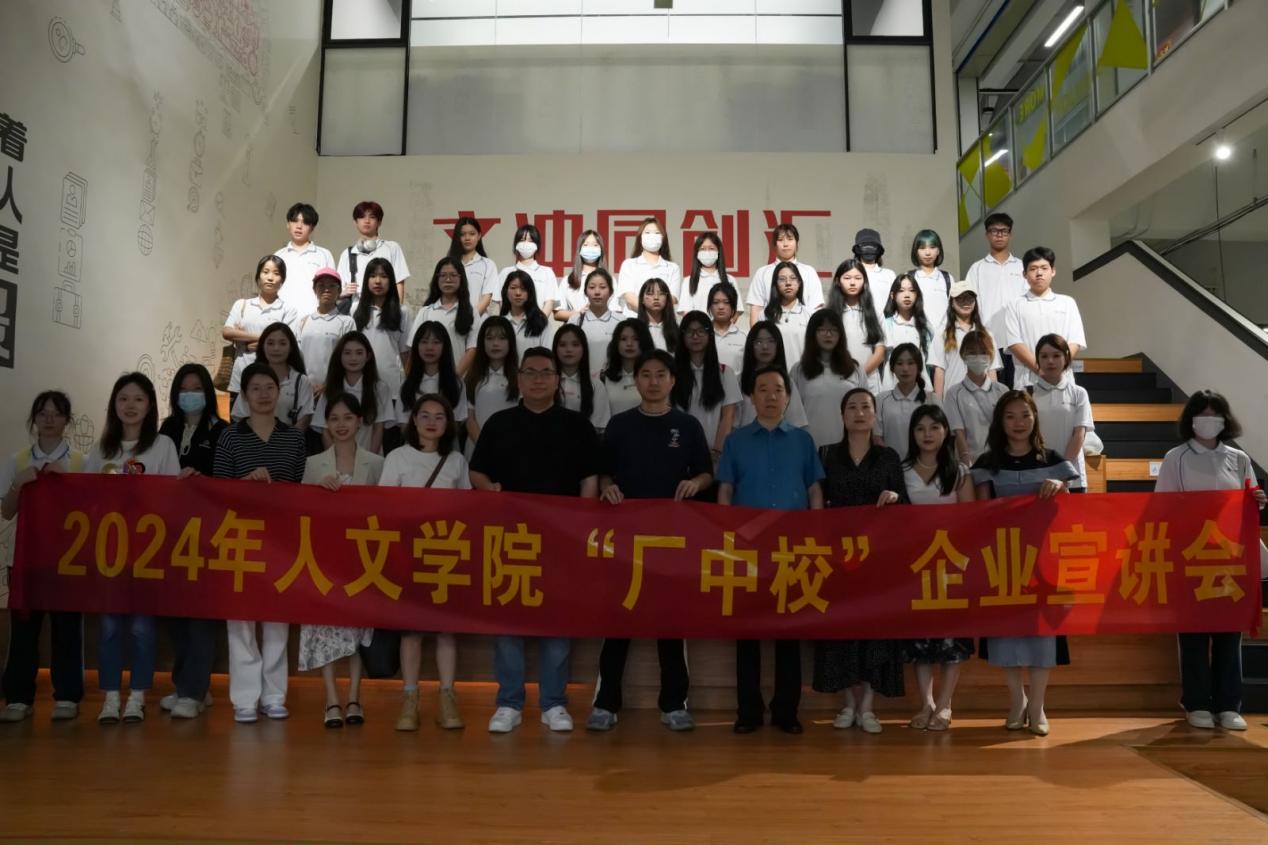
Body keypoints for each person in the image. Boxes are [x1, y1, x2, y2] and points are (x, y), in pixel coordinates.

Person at [470, 347, 602, 734]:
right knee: (508, 622)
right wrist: (489, 490)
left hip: (562, 539)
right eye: (530, 372)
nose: (539, 379)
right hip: (510, 538)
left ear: (558, 381)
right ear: (519, 379)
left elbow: (589, 480)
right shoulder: (500, 423)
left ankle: (554, 703)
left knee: (557, 622)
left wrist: (581, 525)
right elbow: (477, 472)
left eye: (546, 373)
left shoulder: (577, 426)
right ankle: (509, 702)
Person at [589, 349, 713, 732]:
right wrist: (607, 488)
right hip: (626, 539)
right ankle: (605, 703)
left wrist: (695, 483)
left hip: (672, 542)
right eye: (646, 374)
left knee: (670, 623)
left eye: (661, 374)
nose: (653, 381)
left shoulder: (687, 425)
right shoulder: (620, 424)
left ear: (673, 380)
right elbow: (605, 473)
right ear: (636, 380)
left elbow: (706, 473)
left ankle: (674, 704)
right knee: (618, 620)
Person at [717, 366, 824, 734]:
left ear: (788, 397)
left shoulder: (802, 441)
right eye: (762, 389)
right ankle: (748, 711)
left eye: (778, 389)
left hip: (792, 549)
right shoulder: (735, 441)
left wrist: (816, 533)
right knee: (747, 634)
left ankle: (785, 711)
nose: (771, 395)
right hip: (747, 549)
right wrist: (727, 538)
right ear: (752, 396)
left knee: (788, 633)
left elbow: (814, 490)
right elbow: (726, 490)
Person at [1154, 391, 1266, 732]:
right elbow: (1163, 507)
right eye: (1201, 413)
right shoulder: (1176, 458)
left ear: (1224, 419)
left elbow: (1249, 498)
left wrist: (1257, 500)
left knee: (1229, 634)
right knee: (1193, 635)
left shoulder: (1238, 458)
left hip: (1229, 559)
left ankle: (1229, 704)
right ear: (1190, 419)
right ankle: (1197, 702)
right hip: (1191, 557)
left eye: (1214, 413)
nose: (1208, 419)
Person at [971, 390, 1079, 737]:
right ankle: (1017, 701)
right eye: (1010, 416)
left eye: (1025, 415)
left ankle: (1038, 706)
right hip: (1004, 561)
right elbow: (982, 513)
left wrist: (1060, 486)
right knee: (1007, 634)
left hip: (1044, 558)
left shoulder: (1053, 459)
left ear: (1035, 419)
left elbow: (1072, 512)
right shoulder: (987, 463)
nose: (1019, 423)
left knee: (1042, 635)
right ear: (1000, 422)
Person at [213, 362, 308, 723]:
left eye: (270, 387)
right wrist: (245, 484)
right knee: (240, 620)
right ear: (244, 395)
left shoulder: (294, 438)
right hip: (238, 537)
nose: (264, 394)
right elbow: (217, 491)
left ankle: (273, 695)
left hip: (281, 540)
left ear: (279, 392)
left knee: (276, 618)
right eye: (255, 388)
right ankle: (244, 698)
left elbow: (300, 492)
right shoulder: (230, 436)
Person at [87, 373, 182, 724]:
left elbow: (173, 498)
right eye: (123, 398)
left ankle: (138, 696)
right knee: (110, 626)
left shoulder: (162, 446)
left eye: (138, 399)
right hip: (108, 551)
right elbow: (85, 499)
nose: (130, 405)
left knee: (142, 627)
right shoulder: (102, 449)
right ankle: (111, 697)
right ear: (114, 404)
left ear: (150, 406)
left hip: (147, 552)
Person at [815, 387, 906, 734]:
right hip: (837, 558)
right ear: (842, 416)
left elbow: (905, 505)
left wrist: (894, 496)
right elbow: (817, 503)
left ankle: (867, 706)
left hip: (876, 559)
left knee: (873, 631)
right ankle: (847, 704)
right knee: (842, 629)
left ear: (874, 414)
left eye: (866, 407)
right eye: (851, 407)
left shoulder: (888, 457)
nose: (859, 413)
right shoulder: (827, 454)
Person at [379, 393, 473, 731]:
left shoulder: (456, 461)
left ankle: (447, 698)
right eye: (425, 415)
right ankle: (410, 699)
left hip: (446, 552)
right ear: (413, 420)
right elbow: (384, 505)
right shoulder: (397, 457)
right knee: (412, 630)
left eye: (439, 416)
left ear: (448, 423)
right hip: (407, 553)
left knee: (447, 630)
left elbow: (468, 509)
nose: (432, 422)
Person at [0, 391, 86, 723]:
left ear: (67, 421)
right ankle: (18, 697)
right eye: (43, 413)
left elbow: (91, 510)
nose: (49, 419)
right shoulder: (17, 460)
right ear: (34, 419)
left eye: (57, 413)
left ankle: (67, 695)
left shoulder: (79, 462)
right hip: (25, 558)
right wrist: (18, 485)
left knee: (67, 628)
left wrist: (68, 482)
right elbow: (7, 512)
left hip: (67, 559)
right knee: (23, 628)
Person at [299, 394, 382, 729]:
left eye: (348, 417)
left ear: (359, 421)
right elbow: (300, 513)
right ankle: (332, 699)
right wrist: (316, 491)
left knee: (357, 630)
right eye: (334, 418)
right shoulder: (313, 464)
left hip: (362, 560)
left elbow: (387, 512)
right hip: (323, 559)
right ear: (326, 424)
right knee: (323, 629)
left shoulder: (376, 463)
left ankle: (355, 696)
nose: (341, 424)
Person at [157, 365, 227, 719]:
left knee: (201, 615)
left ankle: (193, 691)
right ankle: (187, 684)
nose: (189, 394)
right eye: (183, 388)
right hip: (170, 534)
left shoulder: (222, 431)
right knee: (176, 614)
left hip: (208, 535)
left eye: (196, 388)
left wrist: (203, 480)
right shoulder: (166, 429)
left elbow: (226, 480)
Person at [901, 405, 975, 731]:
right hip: (914, 565)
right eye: (920, 428)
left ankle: (945, 704)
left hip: (950, 565)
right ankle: (926, 704)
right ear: (912, 434)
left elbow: (971, 519)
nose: (927, 434)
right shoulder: (901, 470)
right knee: (920, 638)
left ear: (946, 431)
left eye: (934, 427)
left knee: (951, 639)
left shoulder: (959, 472)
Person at [1003, 247, 1086, 390]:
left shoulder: (1067, 303)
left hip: (1063, 380)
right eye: (1033, 269)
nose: (1039, 273)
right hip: (1027, 382)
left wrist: (1058, 368)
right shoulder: (1014, 305)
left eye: (1044, 268)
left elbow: (1075, 341)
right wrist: (1040, 370)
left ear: (1053, 271)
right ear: (1024, 274)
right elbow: (1014, 343)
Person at [223, 255, 299, 403]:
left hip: (272, 382)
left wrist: (243, 338)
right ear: (258, 277)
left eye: (276, 273)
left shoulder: (288, 310)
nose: (270, 277)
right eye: (265, 272)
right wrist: (265, 340)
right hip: (240, 380)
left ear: (282, 280)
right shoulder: (242, 305)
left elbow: (287, 343)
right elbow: (227, 332)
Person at [352, 258, 411, 447]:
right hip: (360, 388)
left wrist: (410, 386)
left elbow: (406, 354)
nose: (378, 281)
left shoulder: (402, 312)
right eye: (373, 276)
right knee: (362, 442)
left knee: (388, 443)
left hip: (391, 389)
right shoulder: (355, 310)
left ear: (391, 280)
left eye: (384, 276)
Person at [672, 311, 741, 471]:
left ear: (710, 335)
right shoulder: (671, 373)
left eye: (701, 331)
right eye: (690, 331)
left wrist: (717, 450)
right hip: (678, 454)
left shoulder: (725, 372)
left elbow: (728, 416)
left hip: (715, 455)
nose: (695, 336)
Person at [964, 212, 1026, 385]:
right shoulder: (977, 268)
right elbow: (969, 305)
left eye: (1004, 231)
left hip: (1018, 341)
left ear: (1010, 234)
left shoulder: (1022, 266)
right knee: (992, 391)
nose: (999, 235)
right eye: (994, 231)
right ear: (987, 235)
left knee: (1017, 390)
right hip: (988, 341)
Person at [313, 332, 393, 455]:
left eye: (359, 353)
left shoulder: (379, 388)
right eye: (347, 353)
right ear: (340, 356)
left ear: (368, 356)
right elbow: (324, 429)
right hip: (336, 459)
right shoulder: (330, 389)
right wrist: (336, 458)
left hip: (370, 457)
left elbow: (378, 428)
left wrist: (369, 460)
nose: (353, 358)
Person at [1030, 334, 1094, 490]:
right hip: (1037, 477)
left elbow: (1079, 435)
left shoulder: (1079, 393)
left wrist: (1061, 475)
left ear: (1066, 358)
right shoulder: (1027, 394)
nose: (1050, 361)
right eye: (1044, 356)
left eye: (1056, 355)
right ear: (1037, 360)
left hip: (1072, 477)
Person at [791, 309, 860, 448]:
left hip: (848, 448)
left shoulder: (854, 369)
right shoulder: (799, 370)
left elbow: (865, 409)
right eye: (822, 329)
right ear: (812, 334)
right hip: (810, 446)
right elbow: (793, 415)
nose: (828, 334)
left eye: (834, 330)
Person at [229, 322, 314, 432]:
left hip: (288, 441)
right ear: (262, 346)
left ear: (291, 347)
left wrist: (287, 440)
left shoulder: (301, 381)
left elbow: (305, 418)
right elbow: (240, 415)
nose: (276, 348)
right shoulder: (252, 379)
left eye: (282, 343)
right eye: (270, 343)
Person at [944, 329, 1010, 465]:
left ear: (991, 355)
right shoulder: (953, 393)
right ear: (963, 355)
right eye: (972, 353)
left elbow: (1007, 429)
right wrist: (967, 465)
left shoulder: (1002, 391)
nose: (978, 357)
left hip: (1000, 462)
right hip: (969, 464)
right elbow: (959, 433)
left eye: (983, 352)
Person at [399, 321, 470, 443]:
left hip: (446, 447)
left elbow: (457, 422)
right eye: (424, 342)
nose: (429, 347)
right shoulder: (407, 384)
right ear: (416, 346)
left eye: (436, 342)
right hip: (413, 446)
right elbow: (404, 424)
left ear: (445, 347)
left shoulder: (456, 384)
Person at [928, 280, 1001, 396]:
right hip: (953, 398)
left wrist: (994, 398)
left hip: (982, 397)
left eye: (970, 298)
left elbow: (991, 369)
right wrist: (938, 402)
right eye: (960, 298)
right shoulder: (942, 333)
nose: (966, 302)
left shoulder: (986, 334)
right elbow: (939, 370)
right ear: (952, 302)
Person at [295, 268, 356, 402]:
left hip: (334, 390)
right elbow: (296, 357)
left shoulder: (347, 322)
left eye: (332, 286)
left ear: (339, 291)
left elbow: (348, 359)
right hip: (304, 390)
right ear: (314, 290)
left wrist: (328, 385)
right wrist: (305, 385)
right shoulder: (303, 322)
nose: (326, 289)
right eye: (321, 285)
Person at [410, 257, 480, 375]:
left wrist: (455, 377)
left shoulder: (471, 312)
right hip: (428, 377)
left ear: (461, 278)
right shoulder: (425, 312)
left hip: (458, 377)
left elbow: (472, 348)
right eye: (443, 275)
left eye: (453, 275)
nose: (448, 280)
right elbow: (414, 346)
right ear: (436, 279)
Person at [745, 222, 824, 326]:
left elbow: (816, 308)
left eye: (790, 239)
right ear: (774, 245)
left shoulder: (809, 272)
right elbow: (756, 308)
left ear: (797, 243)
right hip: (771, 330)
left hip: (803, 329)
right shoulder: (762, 272)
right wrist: (756, 334)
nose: (785, 244)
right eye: (780, 240)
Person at [335, 200, 410, 307]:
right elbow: (337, 289)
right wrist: (344, 292)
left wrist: (396, 310)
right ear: (355, 222)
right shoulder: (348, 254)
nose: (367, 221)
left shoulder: (392, 248)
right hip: (357, 310)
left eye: (372, 217)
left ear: (379, 222)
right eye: (362, 217)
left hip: (385, 309)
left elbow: (399, 282)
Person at [737, 321, 810, 429]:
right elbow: (732, 423)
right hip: (746, 438)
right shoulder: (740, 381)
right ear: (750, 346)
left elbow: (797, 422)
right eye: (758, 342)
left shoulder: (786, 381)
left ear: (778, 345)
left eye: (771, 341)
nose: (765, 347)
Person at [827, 258, 885, 393]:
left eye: (858, 278)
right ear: (838, 281)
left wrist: (859, 375)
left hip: (869, 382)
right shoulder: (829, 314)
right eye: (847, 278)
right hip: (837, 381)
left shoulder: (875, 313)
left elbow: (880, 352)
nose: (852, 283)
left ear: (865, 282)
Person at [463, 316, 519, 452]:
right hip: (477, 448)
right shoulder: (472, 378)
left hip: (510, 449)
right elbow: (470, 419)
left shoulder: (520, 378)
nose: (495, 343)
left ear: (510, 342)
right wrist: (485, 447)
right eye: (489, 338)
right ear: (482, 342)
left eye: (502, 338)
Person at [875, 343, 941, 457]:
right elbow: (876, 437)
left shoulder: (932, 399)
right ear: (892, 368)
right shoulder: (881, 400)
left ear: (919, 367)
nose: (905, 369)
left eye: (910, 363)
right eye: (899, 363)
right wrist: (890, 462)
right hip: (891, 465)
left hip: (925, 465)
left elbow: (940, 436)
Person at [275, 202, 335, 317]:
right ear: (288, 224)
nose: (299, 226)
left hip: (314, 317)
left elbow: (331, 289)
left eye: (305, 222)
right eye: (295, 221)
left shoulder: (324, 255)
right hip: (282, 317)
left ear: (312, 227)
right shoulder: (278, 256)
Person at [486, 223, 557, 316]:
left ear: (537, 245)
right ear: (516, 244)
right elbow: (497, 302)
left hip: (537, 322)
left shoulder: (547, 272)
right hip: (509, 323)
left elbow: (549, 303)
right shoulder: (506, 272)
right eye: (522, 240)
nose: (526, 244)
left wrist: (539, 322)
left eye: (530, 241)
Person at [553, 324, 611, 432]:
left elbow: (598, 427)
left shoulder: (596, 385)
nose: (569, 349)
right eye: (562, 345)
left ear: (584, 349)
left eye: (575, 345)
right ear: (555, 349)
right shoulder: (547, 383)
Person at [881, 273, 934, 390]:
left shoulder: (924, 326)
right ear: (892, 295)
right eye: (901, 291)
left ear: (917, 295)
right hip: (892, 386)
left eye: (911, 290)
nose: (907, 295)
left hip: (921, 388)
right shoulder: (886, 324)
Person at [618, 217, 681, 312]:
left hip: (663, 319)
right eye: (647, 233)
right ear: (640, 238)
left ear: (663, 238)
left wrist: (655, 313)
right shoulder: (629, 265)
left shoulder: (673, 267)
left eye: (657, 233)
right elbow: (629, 297)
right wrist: (648, 313)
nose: (652, 236)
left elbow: (673, 298)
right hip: (635, 318)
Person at [600, 318, 655, 418]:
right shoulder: (605, 378)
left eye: (636, 339)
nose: (629, 344)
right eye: (623, 339)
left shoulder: (655, 378)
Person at [570, 268, 620, 367]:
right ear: (585, 292)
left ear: (611, 292)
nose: (597, 292)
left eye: (602, 287)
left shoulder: (621, 321)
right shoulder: (575, 321)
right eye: (592, 287)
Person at [678, 232, 736, 316]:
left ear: (718, 251)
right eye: (702, 249)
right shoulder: (688, 281)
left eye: (711, 248)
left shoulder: (730, 280)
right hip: (697, 324)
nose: (707, 252)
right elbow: (686, 312)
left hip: (723, 325)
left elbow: (736, 310)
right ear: (697, 253)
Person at [448, 215, 497, 313]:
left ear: (479, 236)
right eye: (462, 234)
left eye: (472, 234)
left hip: (477, 319)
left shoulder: (488, 265)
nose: (467, 238)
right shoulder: (449, 264)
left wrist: (471, 317)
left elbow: (487, 297)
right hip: (450, 318)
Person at [764, 261, 812, 363]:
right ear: (775, 284)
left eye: (793, 278)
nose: (788, 283)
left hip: (801, 371)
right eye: (782, 279)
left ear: (799, 283)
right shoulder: (765, 315)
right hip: (774, 371)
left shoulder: (809, 314)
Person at [501, 269, 556, 355]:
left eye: (523, 289)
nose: (518, 293)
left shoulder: (541, 323)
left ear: (530, 293)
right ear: (506, 291)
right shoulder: (500, 323)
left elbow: (548, 356)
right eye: (513, 288)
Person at [555, 229, 606, 322]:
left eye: (595, 245)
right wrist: (579, 314)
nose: (591, 248)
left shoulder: (609, 280)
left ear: (601, 250)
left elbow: (616, 311)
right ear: (580, 249)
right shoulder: (568, 280)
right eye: (586, 245)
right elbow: (558, 313)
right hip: (575, 328)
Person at [909, 229, 953, 326]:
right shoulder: (909, 277)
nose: (928, 253)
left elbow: (953, 309)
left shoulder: (947, 278)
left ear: (938, 251)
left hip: (943, 333)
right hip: (916, 332)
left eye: (932, 247)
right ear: (916, 252)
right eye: (922, 248)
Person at [852, 228, 893, 324]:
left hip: (883, 328)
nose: (869, 249)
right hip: (854, 326)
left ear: (879, 249)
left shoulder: (889, 275)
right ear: (857, 249)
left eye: (873, 246)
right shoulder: (850, 274)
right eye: (864, 245)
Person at [708, 282, 746, 373]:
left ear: (733, 307)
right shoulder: (703, 336)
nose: (721, 307)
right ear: (710, 306)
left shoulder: (742, 338)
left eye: (726, 302)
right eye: (716, 302)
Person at [637, 277, 679, 352]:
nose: (656, 298)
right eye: (650, 294)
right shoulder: (635, 330)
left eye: (661, 294)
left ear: (667, 299)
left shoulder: (677, 331)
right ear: (642, 299)